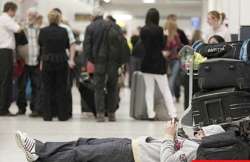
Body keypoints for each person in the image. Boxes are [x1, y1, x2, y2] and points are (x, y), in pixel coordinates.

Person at [15, 120, 226, 162]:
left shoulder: (197, 152)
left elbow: (168, 161)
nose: (197, 133)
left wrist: (169, 136)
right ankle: (40, 148)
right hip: (133, 144)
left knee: (82, 155)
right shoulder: (194, 144)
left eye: (202, 133)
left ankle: (39, 156)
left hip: (131, 155)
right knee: (84, 143)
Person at [83, 8, 123, 122]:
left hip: (99, 62)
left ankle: (100, 114)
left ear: (93, 16)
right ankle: (111, 114)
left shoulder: (91, 27)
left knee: (99, 88)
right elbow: (121, 46)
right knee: (113, 88)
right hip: (113, 63)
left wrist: (93, 60)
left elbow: (87, 48)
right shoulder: (114, 26)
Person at [140, 8, 177, 119]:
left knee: (149, 90)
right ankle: (173, 114)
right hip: (158, 63)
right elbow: (162, 46)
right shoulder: (160, 30)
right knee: (165, 89)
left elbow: (143, 46)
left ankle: (151, 114)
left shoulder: (143, 30)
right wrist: (165, 36)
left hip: (146, 63)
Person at [38, 10, 71, 121]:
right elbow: (67, 45)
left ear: (49, 19)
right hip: (61, 61)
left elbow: (41, 44)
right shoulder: (64, 31)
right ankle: (62, 115)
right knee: (61, 88)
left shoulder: (43, 31)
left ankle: (47, 115)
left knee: (47, 89)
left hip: (47, 61)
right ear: (58, 19)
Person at [16, 8, 41, 117]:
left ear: (36, 17)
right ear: (27, 15)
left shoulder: (40, 29)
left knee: (37, 86)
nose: (31, 17)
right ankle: (21, 108)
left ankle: (35, 108)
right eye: (30, 15)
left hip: (36, 61)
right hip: (24, 62)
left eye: (34, 15)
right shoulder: (21, 28)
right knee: (21, 86)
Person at [53, 8, 76, 118]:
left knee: (66, 87)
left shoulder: (66, 28)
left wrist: (71, 60)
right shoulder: (48, 29)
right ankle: (56, 110)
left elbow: (72, 44)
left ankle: (67, 111)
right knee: (56, 87)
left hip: (64, 61)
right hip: (54, 61)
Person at [0, 1, 21, 116]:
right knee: (6, 80)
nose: (14, 14)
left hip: (2, 51)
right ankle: (3, 108)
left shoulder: (2, 18)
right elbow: (18, 29)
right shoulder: (6, 18)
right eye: (14, 11)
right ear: (10, 10)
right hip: (5, 52)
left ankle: (2, 107)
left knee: (3, 80)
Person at [164, 19, 182, 102]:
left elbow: (179, 47)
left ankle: (172, 95)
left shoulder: (173, 35)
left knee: (171, 79)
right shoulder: (169, 35)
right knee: (172, 79)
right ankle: (171, 96)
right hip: (171, 60)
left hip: (171, 60)